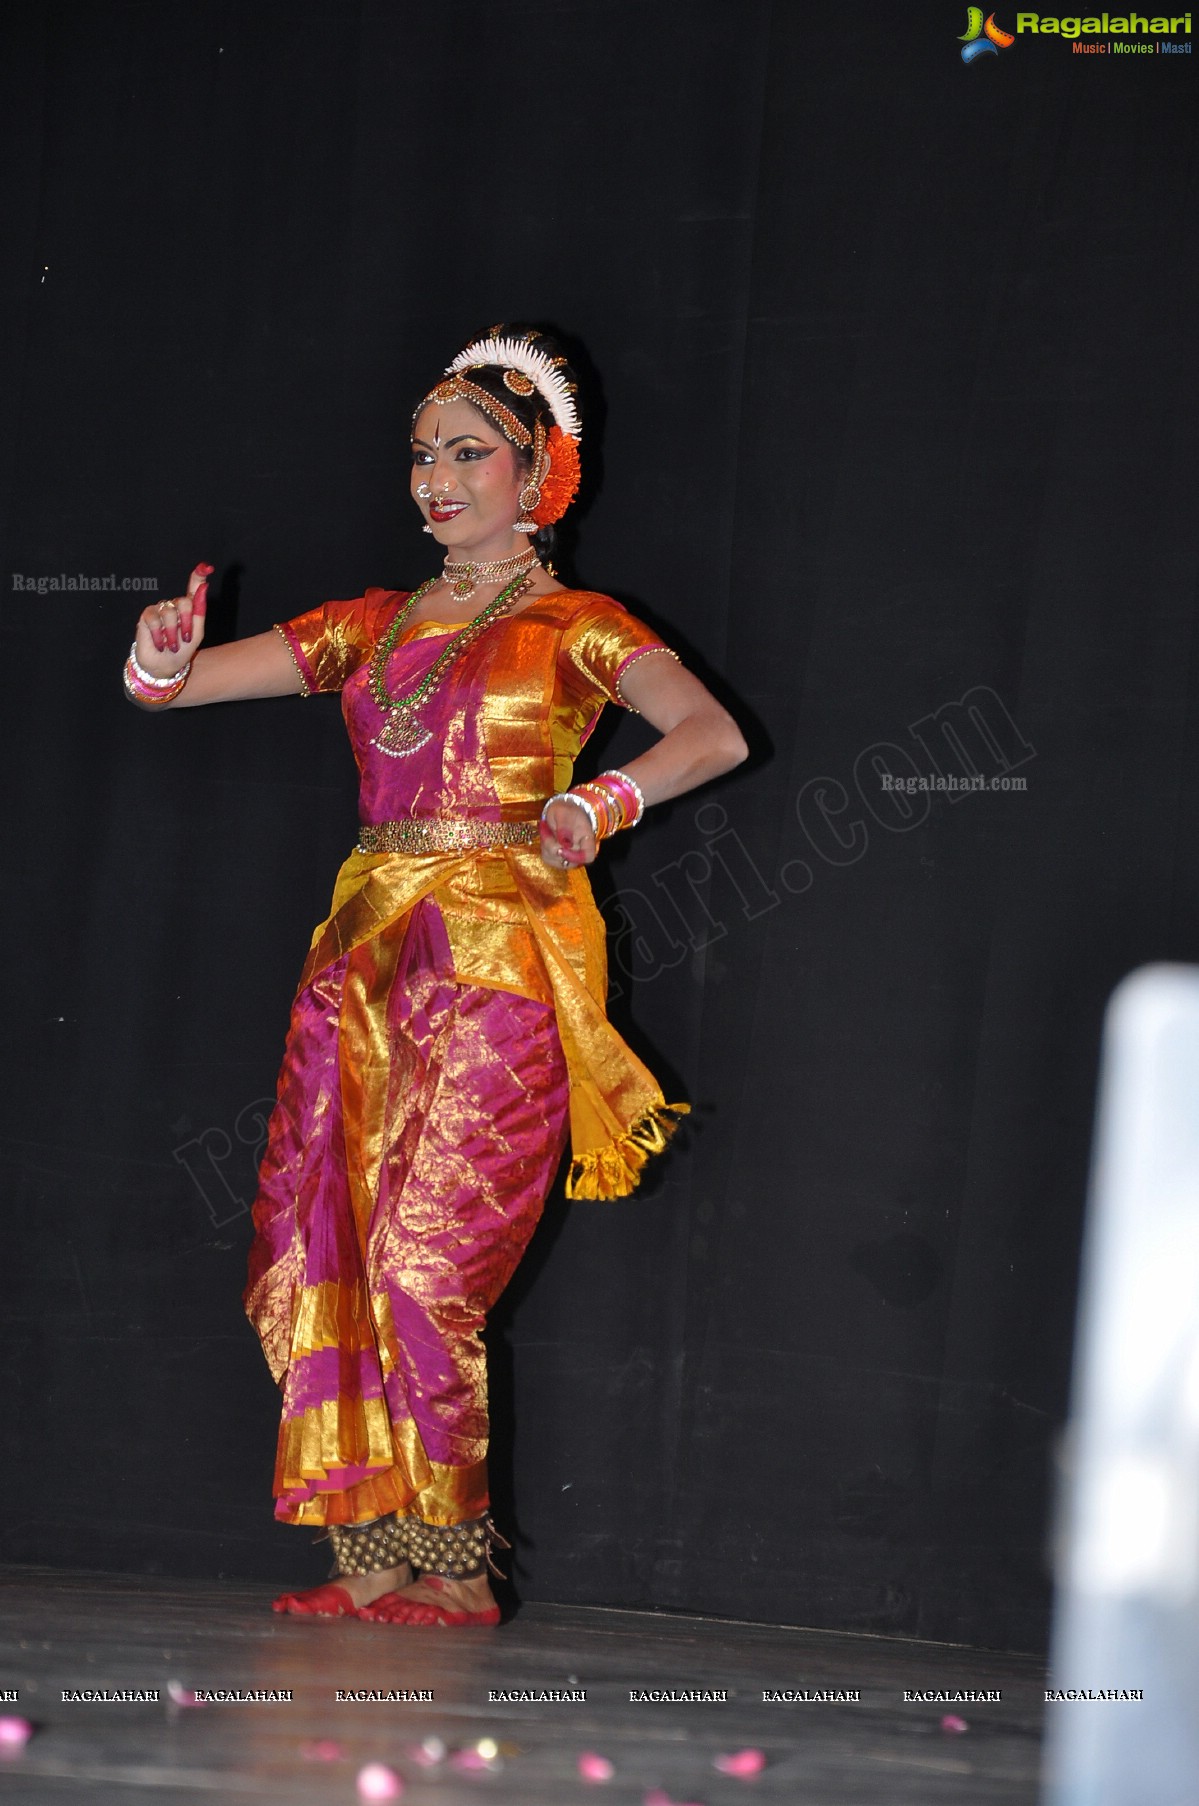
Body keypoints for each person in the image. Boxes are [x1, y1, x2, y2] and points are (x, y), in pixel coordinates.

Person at [125, 326, 747, 1627]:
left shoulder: (580, 627)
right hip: (361, 972)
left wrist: (606, 798)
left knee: (423, 1270)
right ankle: (372, 1564)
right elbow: (173, 695)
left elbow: (711, 730)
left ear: (540, 475)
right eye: (422, 454)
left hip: (503, 960)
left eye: (470, 452)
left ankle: (456, 1572)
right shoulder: (371, 622)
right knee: (324, 1251)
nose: (438, 478)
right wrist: (164, 651)